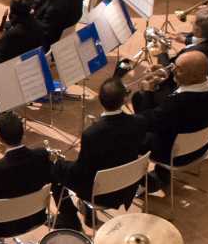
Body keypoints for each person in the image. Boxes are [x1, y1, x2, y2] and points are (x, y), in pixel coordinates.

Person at [53, 77, 151, 216]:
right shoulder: (139, 122)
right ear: (124, 99)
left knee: (57, 168)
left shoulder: (91, 134)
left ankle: (72, 216)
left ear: (100, 100)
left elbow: (82, 170)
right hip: (129, 185)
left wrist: (60, 163)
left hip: (100, 194)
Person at [134, 50, 208, 187]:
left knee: (129, 135)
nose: (174, 70)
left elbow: (146, 121)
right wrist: (167, 75)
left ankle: (146, 182)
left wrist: (147, 91)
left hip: (176, 154)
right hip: (202, 144)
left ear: (191, 77)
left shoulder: (176, 105)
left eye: (178, 70)